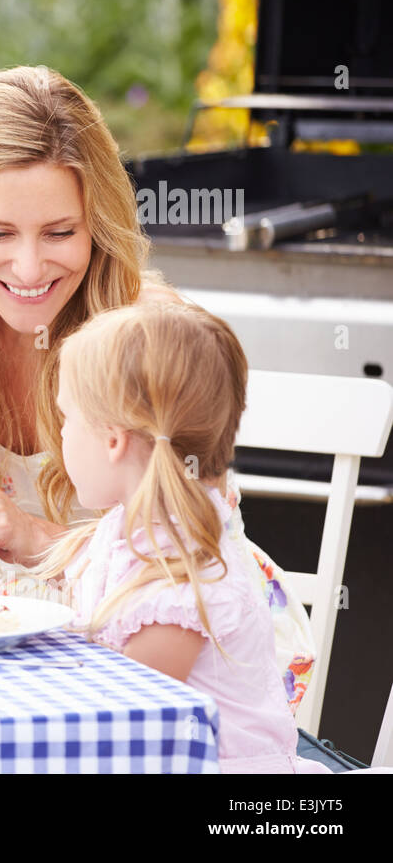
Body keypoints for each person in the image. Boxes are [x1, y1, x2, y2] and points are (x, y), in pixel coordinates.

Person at [0, 65, 315, 711]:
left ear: (96, 217)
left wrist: (32, 536)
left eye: (61, 233)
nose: (31, 269)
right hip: (27, 644)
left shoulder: (140, 329)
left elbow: (192, 550)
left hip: (173, 652)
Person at [35, 301, 326, 772]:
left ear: (113, 439)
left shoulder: (181, 581)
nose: (60, 434)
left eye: (66, 417)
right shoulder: (132, 529)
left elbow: (125, 726)